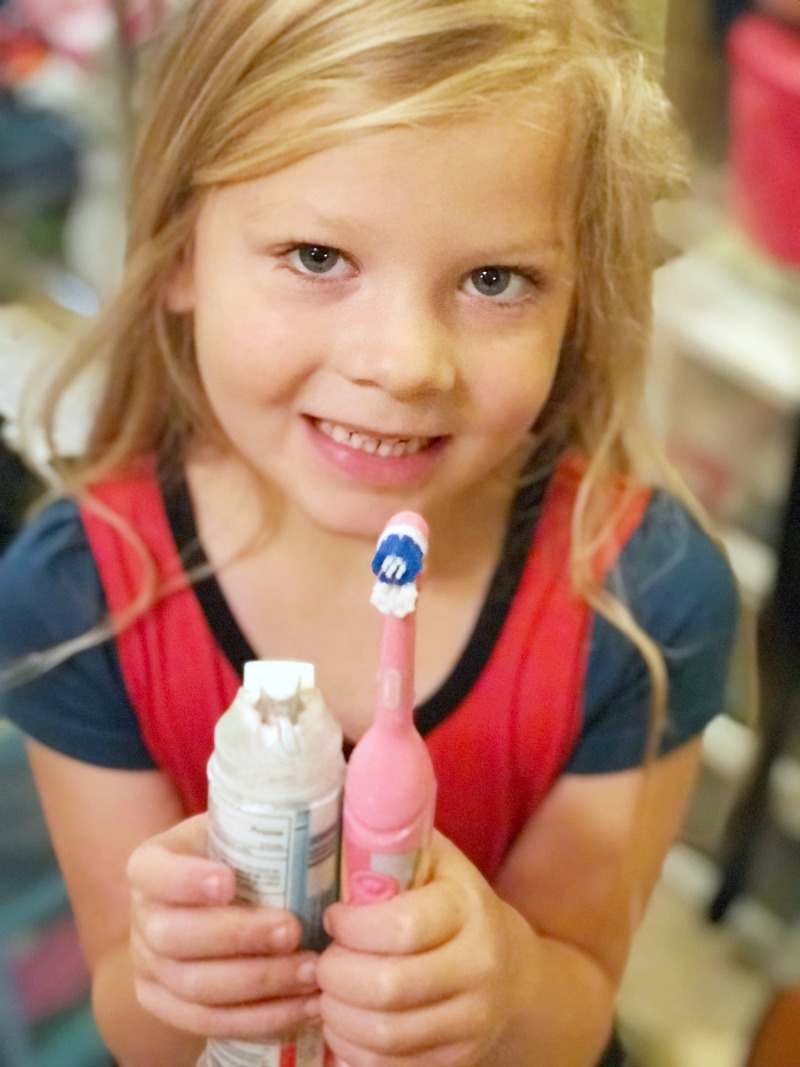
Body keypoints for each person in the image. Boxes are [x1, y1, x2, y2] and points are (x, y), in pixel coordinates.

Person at [0, 1, 739, 1065]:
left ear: (577, 301)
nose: (402, 362)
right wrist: (180, 974)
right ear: (177, 251)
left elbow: (570, 1021)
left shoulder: (639, 596)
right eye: (315, 254)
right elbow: (136, 1027)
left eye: (494, 279)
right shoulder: (79, 595)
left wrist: (509, 984)